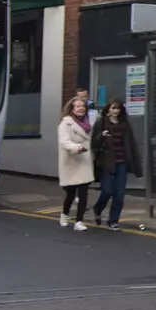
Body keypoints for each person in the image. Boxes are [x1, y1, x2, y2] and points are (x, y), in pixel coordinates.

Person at [90, 98, 141, 230]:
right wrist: (102, 136)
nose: (115, 111)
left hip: (121, 162)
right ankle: (97, 208)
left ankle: (113, 220)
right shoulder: (101, 123)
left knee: (119, 194)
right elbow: (94, 143)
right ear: (107, 110)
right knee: (107, 191)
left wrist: (134, 162)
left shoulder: (124, 124)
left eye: (117, 108)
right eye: (113, 108)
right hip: (107, 162)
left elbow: (131, 144)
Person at [56, 97, 94, 231]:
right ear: (72, 109)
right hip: (71, 161)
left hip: (84, 160)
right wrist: (77, 148)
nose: (80, 108)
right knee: (71, 193)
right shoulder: (65, 124)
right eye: (77, 106)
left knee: (83, 192)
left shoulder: (89, 123)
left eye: (83, 106)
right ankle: (64, 214)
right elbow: (64, 142)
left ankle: (79, 221)